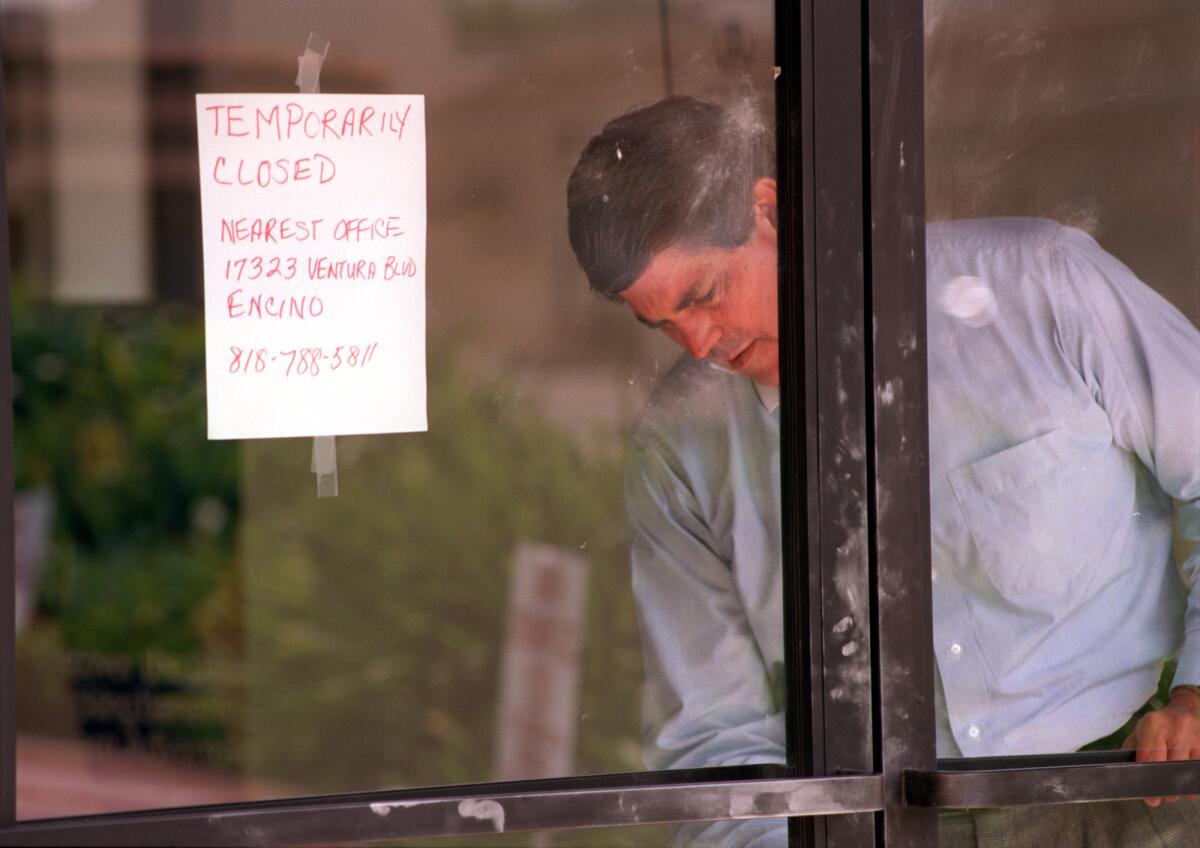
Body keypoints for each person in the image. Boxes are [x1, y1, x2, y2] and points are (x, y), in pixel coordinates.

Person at [566, 95, 1200, 847]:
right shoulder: (681, 450)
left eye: (703, 295)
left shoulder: (1038, 288)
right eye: (661, 322)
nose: (698, 341)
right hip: (871, 827)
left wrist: (1198, 693)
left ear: (769, 209)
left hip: (1135, 796)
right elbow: (714, 737)